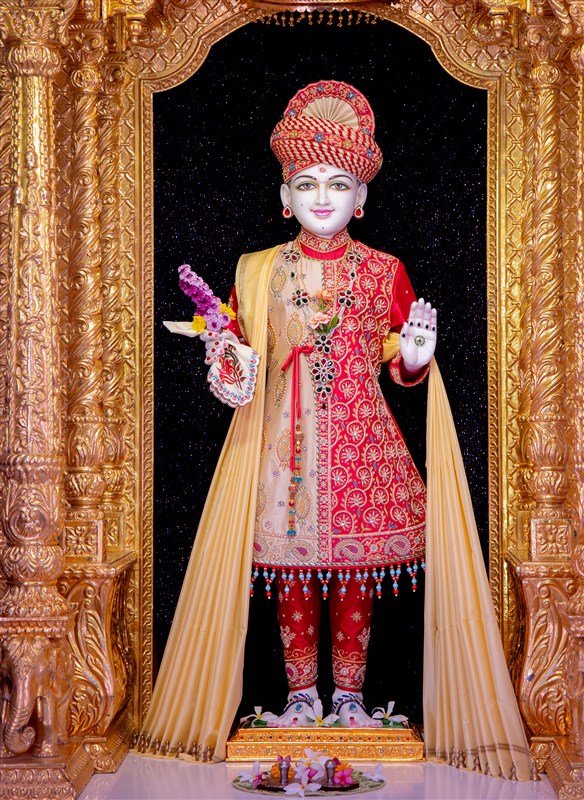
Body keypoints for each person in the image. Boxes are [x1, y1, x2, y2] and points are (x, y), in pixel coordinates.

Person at [147, 79, 531, 779]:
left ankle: (349, 698)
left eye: (338, 184)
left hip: (361, 442)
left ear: (362, 197)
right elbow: (237, 366)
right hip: (279, 447)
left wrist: (416, 356)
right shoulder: (258, 271)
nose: (321, 197)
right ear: (284, 196)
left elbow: (401, 363)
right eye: (306, 184)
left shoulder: (385, 270)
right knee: (292, 574)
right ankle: (300, 698)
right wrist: (225, 357)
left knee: (354, 571)